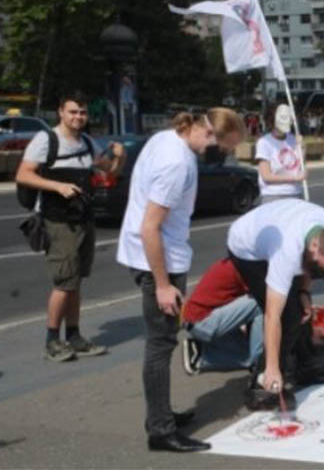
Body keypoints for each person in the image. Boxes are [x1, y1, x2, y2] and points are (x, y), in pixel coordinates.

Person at [116, 108, 244, 452]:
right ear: (211, 135)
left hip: (150, 254)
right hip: (158, 261)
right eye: (227, 147)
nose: (225, 156)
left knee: (162, 341)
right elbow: (150, 226)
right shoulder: (178, 163)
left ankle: (160, 413)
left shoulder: (166, 139)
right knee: (161, 344)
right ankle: (160, 430)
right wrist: (162, 284)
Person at [16, 92, 125, 362]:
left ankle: (74, 337)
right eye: (73, 112)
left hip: (84, 220)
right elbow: (23, 174)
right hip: (58, 221)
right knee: (64, 283)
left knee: (75, 282)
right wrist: (58, 186)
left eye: (82, 112)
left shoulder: (87, 142)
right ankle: (52, 341)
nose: (78, 117)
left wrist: (119, 158)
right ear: (61, 113)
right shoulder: (46, 140)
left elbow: (109, 172)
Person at [225, 198, 324, 408]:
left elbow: (311, 267)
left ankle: (303, 362)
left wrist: (303, 291)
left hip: (281, 231)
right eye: (322, 267)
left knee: (301, 309)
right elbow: (272, 316)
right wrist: (274, 367)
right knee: (287, 315)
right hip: (247, 248)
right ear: (314, 246)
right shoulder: (288, 251)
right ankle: (264, 380)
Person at [181, 258, 263, 375]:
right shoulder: (246, 266)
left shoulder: (237, 260)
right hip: (202, 320)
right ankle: (260, 369)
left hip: (202, 318)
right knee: (261, 303)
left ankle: (202, 353)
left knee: (249, 349)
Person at [255, 104, 306, 202]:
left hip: (296, 194)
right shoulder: (264, 142)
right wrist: (295, 178)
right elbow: (266, 177)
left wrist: (302, 148)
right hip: (274, 196)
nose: (288, 121)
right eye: (283, 117)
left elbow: (300, 167)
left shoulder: (293, 139)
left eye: (289, 117)